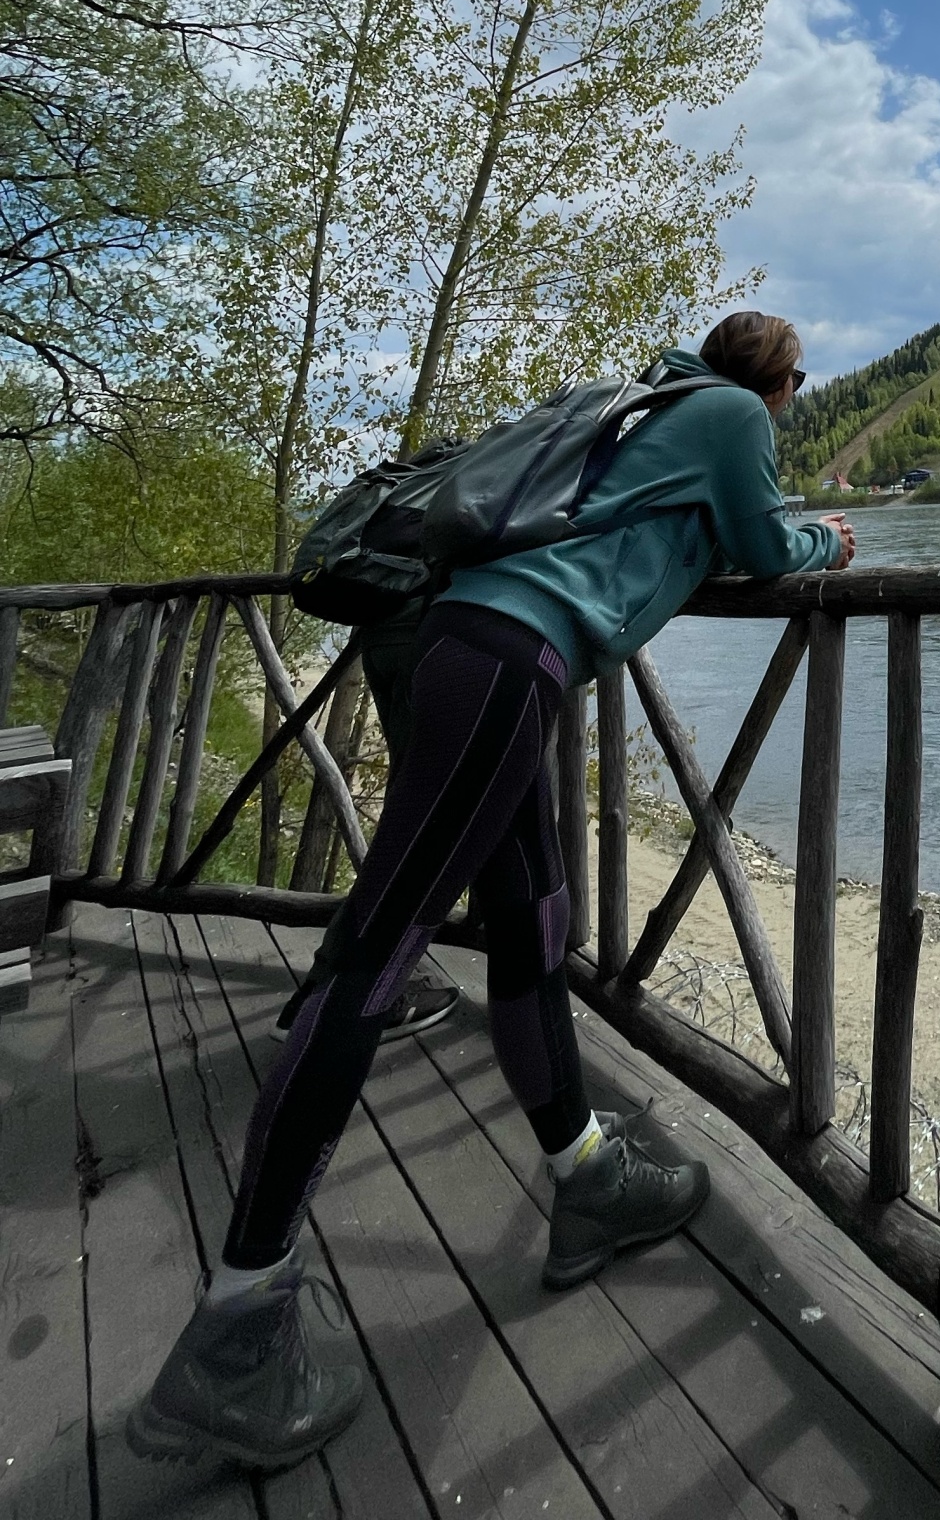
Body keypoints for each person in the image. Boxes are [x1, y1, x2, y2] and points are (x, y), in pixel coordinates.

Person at [131, 313, 852, 1473]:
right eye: (796, 380)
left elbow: (668, 537)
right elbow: (767, 543)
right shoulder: (722, 414)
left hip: (476, 649)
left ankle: (586, 1177)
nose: (791, 396)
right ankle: (237, 1326)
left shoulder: (641, 407)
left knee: (534, 919)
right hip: (506, 657)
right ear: (764, 376)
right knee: (375, 951)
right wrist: (828, 543)